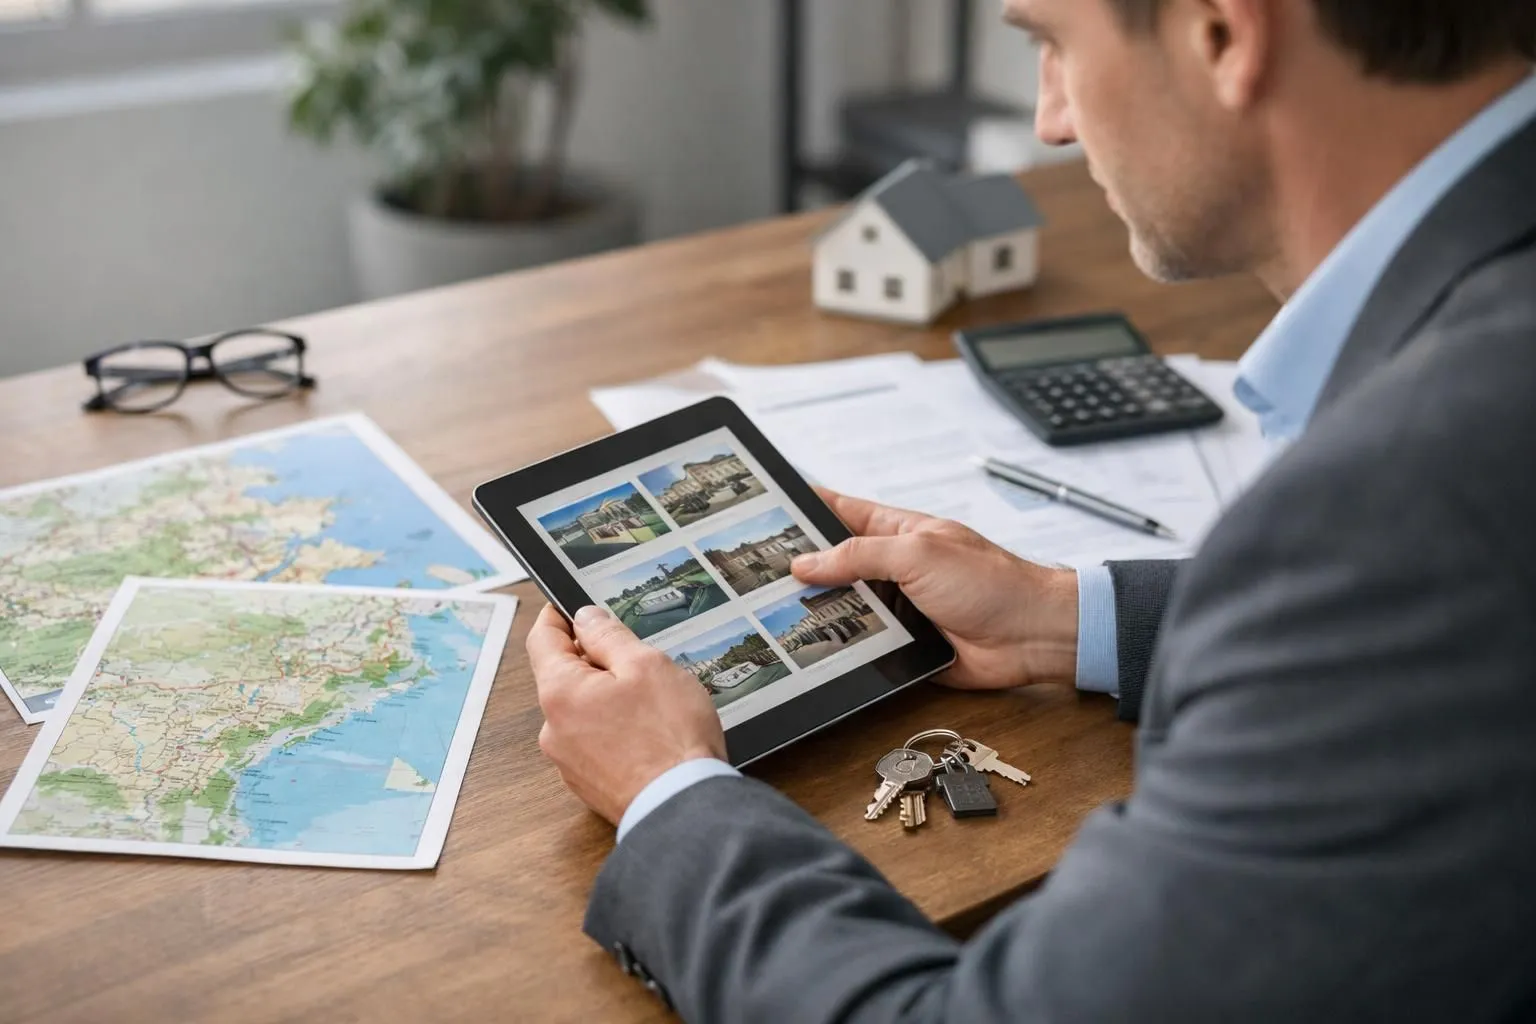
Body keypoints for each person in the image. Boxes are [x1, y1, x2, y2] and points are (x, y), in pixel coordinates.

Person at [526, 0, 1536, 1018]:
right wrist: (1062, 615)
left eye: (1052, 42)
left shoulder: (1398, 501)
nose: (1050, 120)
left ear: (1224, 33)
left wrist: (670, 791)